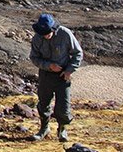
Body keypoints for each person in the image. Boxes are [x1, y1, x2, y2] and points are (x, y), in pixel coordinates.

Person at [29, 13, 83, 142]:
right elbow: (34, 58)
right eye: (43, 34)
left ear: (53, 28)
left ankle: (62, 129)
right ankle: (44, 128)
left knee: (63, 106)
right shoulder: (37, 38)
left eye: (47, 33)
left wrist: (69, 71)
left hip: (63, 75)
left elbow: (78, 53)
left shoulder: (65, 34)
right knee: (43, 103)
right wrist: (48, 66)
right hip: (46, 75)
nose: (45, 36)